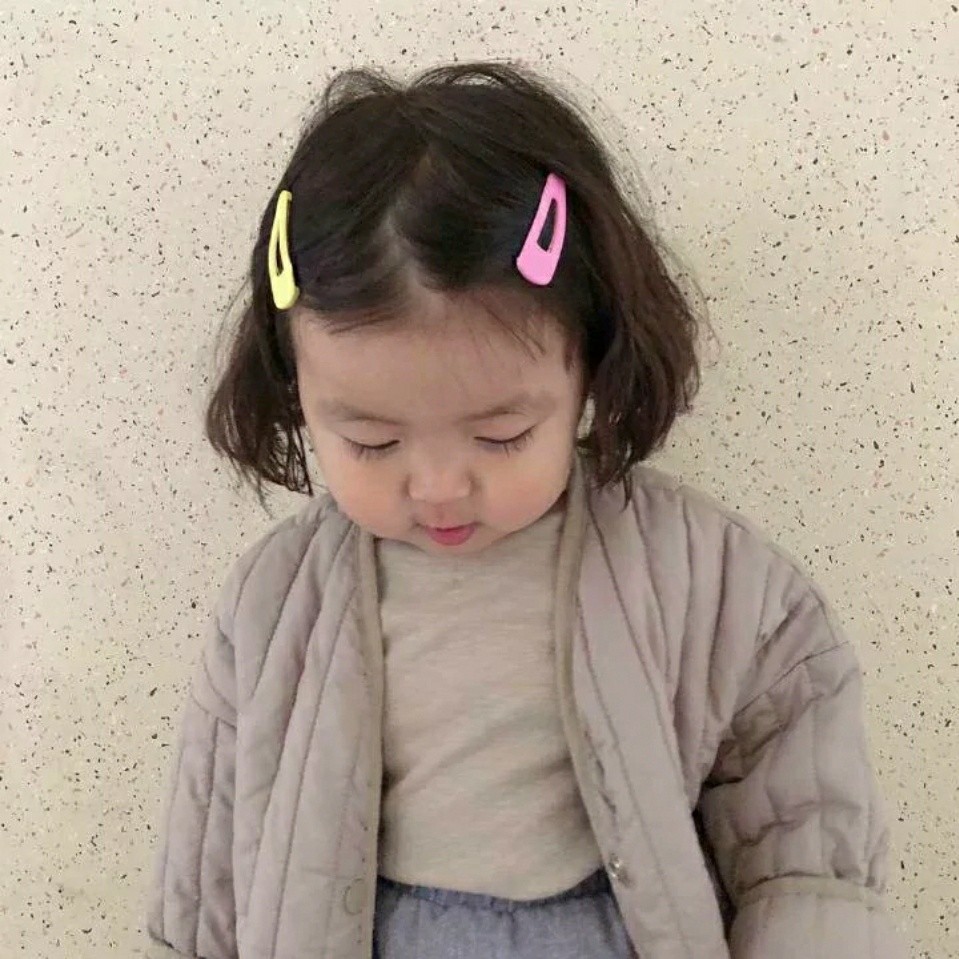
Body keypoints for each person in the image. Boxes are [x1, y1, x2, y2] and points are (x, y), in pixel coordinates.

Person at [144, 62, 906, 959]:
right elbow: (208, 865)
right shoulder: (274, 603)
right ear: (293, 387)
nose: (437, 486)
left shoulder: (705, 573)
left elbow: (803, 813)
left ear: (592, 368)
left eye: (501, 434)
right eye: (371, 442)